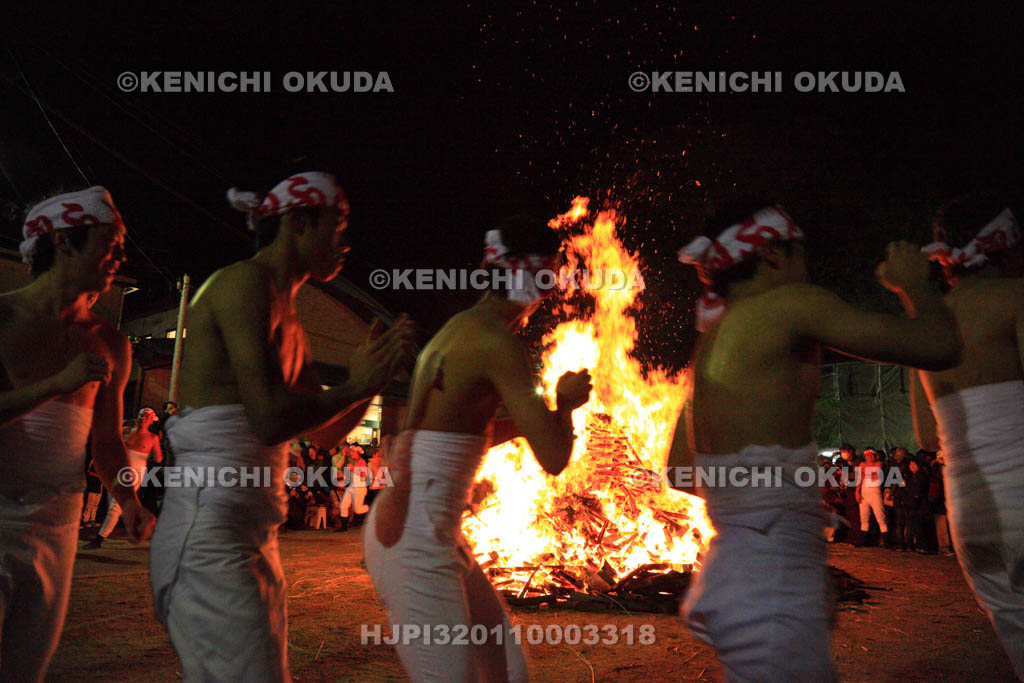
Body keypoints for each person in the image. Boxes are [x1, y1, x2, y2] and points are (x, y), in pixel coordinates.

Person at [669, 201, 961, 681]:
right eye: (803, 254)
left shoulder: (709, 342)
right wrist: (915, 285)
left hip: (734, 573)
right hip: (769, 579)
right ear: (773, 257)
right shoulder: (790, 304)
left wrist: (777, 531)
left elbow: (679, 471)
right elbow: (940, 345)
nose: (809, 268)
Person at [148, 172, 415, 682]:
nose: (346, 243)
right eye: (337, 227)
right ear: (298, 222)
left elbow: (324, 435)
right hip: (209, 531)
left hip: (247, 534)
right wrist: (358, 381)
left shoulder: (288, 315)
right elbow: (269, 420)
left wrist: (369, 382)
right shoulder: (243, 283)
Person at [364, 225, 592, 682]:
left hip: (431, 531)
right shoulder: (495, 341)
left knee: (506, 673)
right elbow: (553, 458)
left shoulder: (460, 329)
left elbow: (456, 436)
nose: (551, 292)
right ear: (523, 276)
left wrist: (525, 425)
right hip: (413, 539)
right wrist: (565, 405)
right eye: (548, 277)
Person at [0, 187, 155, 681]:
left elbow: (106, 442)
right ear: (64, 242)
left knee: (27, 666)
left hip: (58, 523)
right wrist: (56, 385)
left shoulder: (110, 342)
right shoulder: (3, 319)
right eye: (109, 244)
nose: (120, 257)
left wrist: (128, 498)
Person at [911, 193, 1024, 677]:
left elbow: (925, 434)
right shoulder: (1015, 295)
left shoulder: (927, 324)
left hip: (969, 509)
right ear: (1006, 245)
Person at [87, 406, 162, 547]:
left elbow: (158, 457)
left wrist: (153, 459)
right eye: (141, 415)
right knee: (118, 504)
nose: (142, 418)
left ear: (151, 420)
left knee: (116, 505)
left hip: (136, 472)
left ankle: (100, 538)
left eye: (146, 416)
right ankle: (145, 525)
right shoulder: (127, 431)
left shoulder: (153, 438)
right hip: (120, 469)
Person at [856, 448, 889, 545]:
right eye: (867, 455)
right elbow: (860, 479)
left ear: (874, 456)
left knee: (880, 516)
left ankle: (886, 542)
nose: (869, 457)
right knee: (864, 517)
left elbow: (875, 475)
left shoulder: (879, 464)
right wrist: (857, 492)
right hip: (864, 493)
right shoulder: (862, 465)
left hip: (875, 493)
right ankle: (864, 541)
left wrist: (864, 472)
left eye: (871, 455)